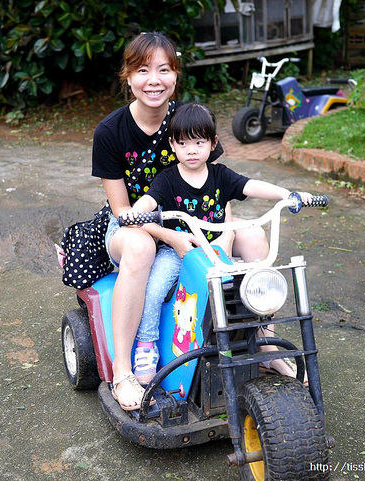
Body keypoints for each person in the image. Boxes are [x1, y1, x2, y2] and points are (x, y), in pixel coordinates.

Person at [121, 102, 313, 383]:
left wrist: (288, 194)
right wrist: (135, 211)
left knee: (260, 277)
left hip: (218, 248)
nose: (191, 150)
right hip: (180, 250)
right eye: (184, 143)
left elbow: (251, 185)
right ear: (173, 145)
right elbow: (148, 203)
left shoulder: (221, 175)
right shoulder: (167, 180)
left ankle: (266, 344)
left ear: (213, 143)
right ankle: (146, 345)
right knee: (155, 287)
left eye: (199, 142)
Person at [91, 32, 229, 411]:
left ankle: (260, 340)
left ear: (176, 74)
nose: (154, 80)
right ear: (128, 76)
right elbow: (123, 212)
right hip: (132, 229)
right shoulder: (110, 132)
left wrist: (225, 241)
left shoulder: (189, 121)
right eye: (142, 70)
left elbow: (221, 187)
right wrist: (169, 234)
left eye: (164, 69)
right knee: (141, 246)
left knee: (252, 240)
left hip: (192, 225)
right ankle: (123, 370)